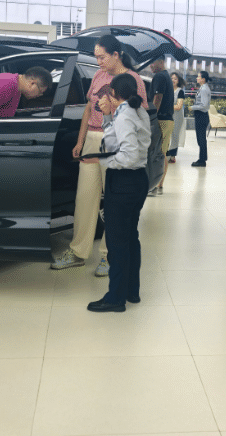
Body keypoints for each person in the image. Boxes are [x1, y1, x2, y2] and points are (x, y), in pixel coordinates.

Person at [52, 35, 148, 276]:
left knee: (113, 201)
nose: (99, 62)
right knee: (85, 198)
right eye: (96, 57)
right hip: (93, 139)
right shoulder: (98, 75)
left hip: (115, 140)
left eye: (102, 57)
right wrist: (81, 140)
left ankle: (109, 255)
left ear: (116, 55)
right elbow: (88, 109)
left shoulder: (133, 80)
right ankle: (78, 251)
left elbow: (138, 117)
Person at [87, 73, 151, 312]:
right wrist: (106, 116)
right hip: (137, 180)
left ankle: (115, 298)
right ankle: (131, 291)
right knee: (130, 237)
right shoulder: (137, 111)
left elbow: (128, 155)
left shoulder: (124, 116)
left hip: (123, 181)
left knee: (117, 243)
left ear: (113, 93)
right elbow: (115, 140)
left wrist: (100, 160)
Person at [148, 58, 174, 195]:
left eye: (153, 62)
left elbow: (157, 98)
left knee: (158, 153)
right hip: (167, 120)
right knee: (161, 152)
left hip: (161, 120)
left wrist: (151, 117)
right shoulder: (166, 76)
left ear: (161, 62)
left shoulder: (159, 76)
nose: (150, 65)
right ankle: (159, 185)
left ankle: (156, 186)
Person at [191, 71, 211, 167]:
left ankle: (202, 160)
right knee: (201, 138)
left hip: (201, 116)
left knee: (201, 139)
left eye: (198, 77)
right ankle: (202, 159)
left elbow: (203, 105)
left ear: (203, 79)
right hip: (202, 115)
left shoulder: (203, 89)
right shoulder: (203, 88)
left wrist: (192, 107)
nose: (197, 78)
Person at [166, 72, 186, 164]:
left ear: (178, 81)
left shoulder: (180, 91)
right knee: (167, 135)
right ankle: (166, 154)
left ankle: (172, 155)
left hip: (177, 116)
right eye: (171, 78)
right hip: (168, 115)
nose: (173, 80)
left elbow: (179, 106)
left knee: (174, 135)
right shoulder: (167, 90)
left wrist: (166, 106)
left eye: (175, 79)